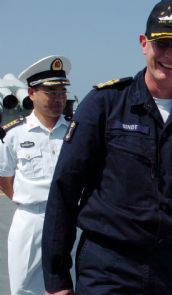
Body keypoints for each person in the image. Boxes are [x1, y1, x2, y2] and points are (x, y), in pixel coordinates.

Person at [41, 1, 172, 295]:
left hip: (168, 268)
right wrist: (57, 280)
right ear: (144, 43)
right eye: (162, 44)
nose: (171, 55)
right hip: (106, 267)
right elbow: (65, 189)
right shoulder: (104, 105)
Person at [0, 55, 71, 295]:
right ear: (31, 92)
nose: (58, 99)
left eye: (62, 92)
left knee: (69, 284)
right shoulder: (13, 135)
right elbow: (5, 178)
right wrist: (32, 202)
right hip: (31, 221)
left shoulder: (77, 131)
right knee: (24, 287)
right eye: (51, 92)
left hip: (70, 219)